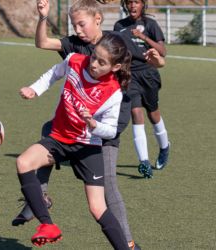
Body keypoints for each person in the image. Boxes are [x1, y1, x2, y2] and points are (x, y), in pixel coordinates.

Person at [12, 0, 165, 249]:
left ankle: (128, 244)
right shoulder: (76, 50)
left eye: (81, 24)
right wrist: (43, 18)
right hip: (70, 129)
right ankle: (39, 201)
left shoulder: (117, 45)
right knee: (44, 134)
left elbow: (153, 62)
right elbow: (46, 54)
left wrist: (156, 60)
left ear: (97, 19)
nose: (78, 29)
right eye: (74, 24)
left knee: (107, 193)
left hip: (102, 129)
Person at [17, 33, 132, 249]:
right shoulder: (74, 60)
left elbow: (111, 131)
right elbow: (54, 73)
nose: (94, 64)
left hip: (87, 147)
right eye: (94, 56)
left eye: (102, 62)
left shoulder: (113, 92)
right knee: (23, 162)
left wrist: (94, 125)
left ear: (115, 67)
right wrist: (35, 89)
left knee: (97, 207)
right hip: (58, 139)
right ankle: (48, 225)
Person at [114, 0, 170, 178]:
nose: (132, 6)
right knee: (136, 113)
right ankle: (144, 162)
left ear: (142, 5)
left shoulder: (150, 24)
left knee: (153, 114)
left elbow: (163, 51)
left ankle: (164, 147)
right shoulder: (119, 26)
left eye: (136, 2)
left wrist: (143, 37)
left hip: (149, 74)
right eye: (129, 2)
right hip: (130, 76)